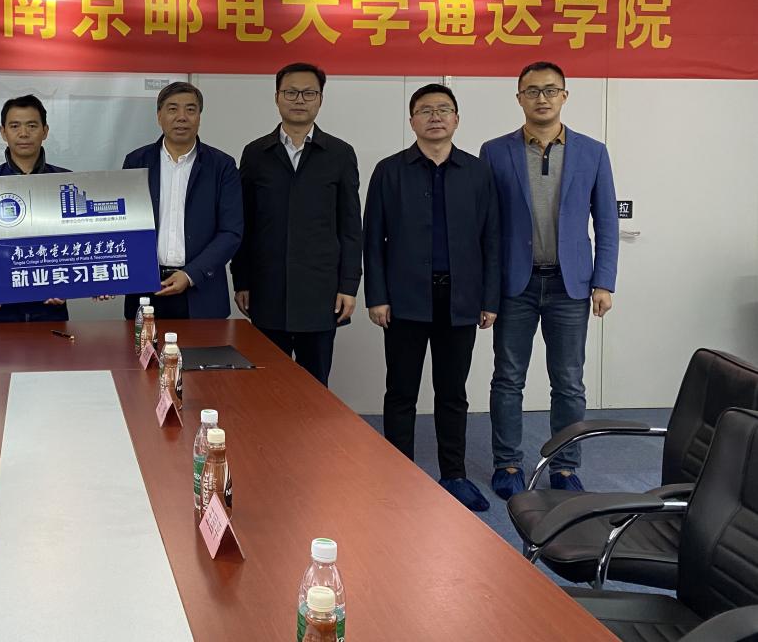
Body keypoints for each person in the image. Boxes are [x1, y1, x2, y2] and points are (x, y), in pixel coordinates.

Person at [482, 61, 618, 498]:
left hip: (570, 285)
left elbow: (607, 222)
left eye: (550, 90)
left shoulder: (593, 152)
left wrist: (604, 281)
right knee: (508, 378)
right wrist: (487, 288)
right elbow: (487, 225)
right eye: (532, 90)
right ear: (519, 97)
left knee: (569, 381)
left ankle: (564, 466)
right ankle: (507, 463)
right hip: (515, 285)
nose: (541, 98)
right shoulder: (495, 151)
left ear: (564, 96)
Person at [363, 83, 500, 511]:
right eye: (425, 110)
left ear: (457, 119)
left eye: (444, 109)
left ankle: (454, 474)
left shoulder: (477, 172)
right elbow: (373, 239)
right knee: (401, 390)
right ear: (412, 121)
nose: (435, 116)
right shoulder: (390, 171)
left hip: (460, 299)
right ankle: (396, 471)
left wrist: (489, 299)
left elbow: (491, 239)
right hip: (404, 298)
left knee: (452, 391)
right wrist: (377, 296)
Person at [231, 63, 361, 386]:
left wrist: (348, 286)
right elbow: (244, 223)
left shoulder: (340, 154)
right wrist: (241, 280)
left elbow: (350, 227)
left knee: (314, 386)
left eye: (309, 93)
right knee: (266, 386)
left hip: (320, 293)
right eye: (291, 92)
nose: (299, 99)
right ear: (277, 97)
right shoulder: (256, 153)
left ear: (320, 99)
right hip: (267, 290)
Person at [122, 81, 242, 321]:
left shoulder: (222, 166)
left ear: (199, 117)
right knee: (143, 347)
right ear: (159, 116)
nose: (182, 117)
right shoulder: (136, 161)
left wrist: (190, 274)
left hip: (201, 290)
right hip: (145, 289)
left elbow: (231, 232)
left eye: (190, 109)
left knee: (203, 348)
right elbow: (123, 224)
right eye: (172, 109)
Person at [0, 95, 70, 322]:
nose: (24, 133)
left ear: (45, 131)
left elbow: (82, 243)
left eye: (32, 126)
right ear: (3, 132)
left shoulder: (66, 183)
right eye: (15, 126)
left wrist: (68, 281)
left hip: (51, 305)